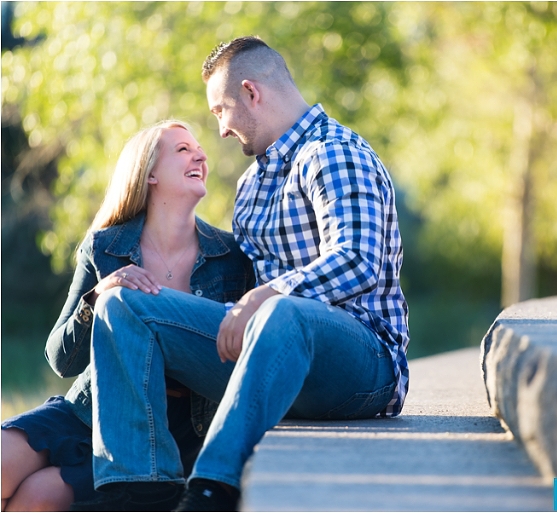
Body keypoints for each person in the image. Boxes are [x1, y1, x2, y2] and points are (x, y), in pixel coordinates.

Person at [77, 35, 409, 512]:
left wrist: (267, 295)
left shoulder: (333, 154)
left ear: (252, 93)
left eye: (220, 112)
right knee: (122, 305)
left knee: (285, 312)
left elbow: (358, 260)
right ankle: (140, 490)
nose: (221, 132)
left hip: (362, 364)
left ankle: (211, 488)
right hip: (269, 357)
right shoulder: (251, 186)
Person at [1, 120, 255, 511]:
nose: (200, 155)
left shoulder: (233, 257)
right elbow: (61, 360)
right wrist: (98, 296)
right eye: (183, 150)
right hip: (88, 409)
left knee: (36, 497)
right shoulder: (104, 246)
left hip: (166, 434)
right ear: (149, 172)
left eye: (198, 149)